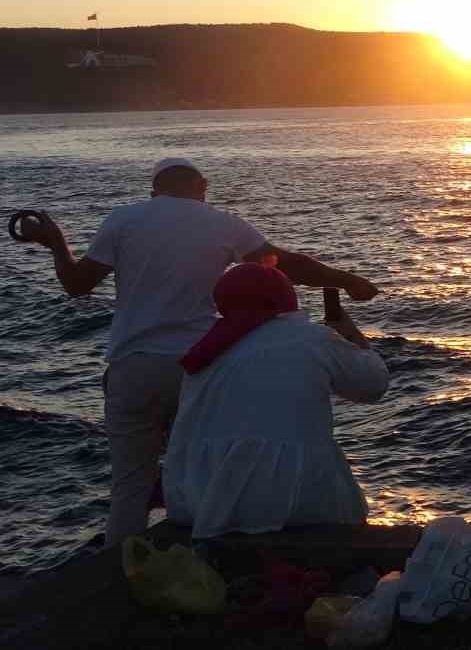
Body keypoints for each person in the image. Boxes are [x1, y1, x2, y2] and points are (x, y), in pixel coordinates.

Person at [15, 158, 378, 548]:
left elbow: (77, 285)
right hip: (203, 366)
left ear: (154, 191)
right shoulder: (222, 223)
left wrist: (55, 242)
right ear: (202, 186)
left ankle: (122, 575)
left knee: (129, 485)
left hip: (133, 368)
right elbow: (287, 265)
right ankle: (203, 560)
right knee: (202, 469)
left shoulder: (123, 219)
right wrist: (347, 280)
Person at [162, 263, 388, 538]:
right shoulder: (312, 338)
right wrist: (351, 336)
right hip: (289, 502)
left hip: (196, 501)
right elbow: (373, 386)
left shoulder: (205, 352)